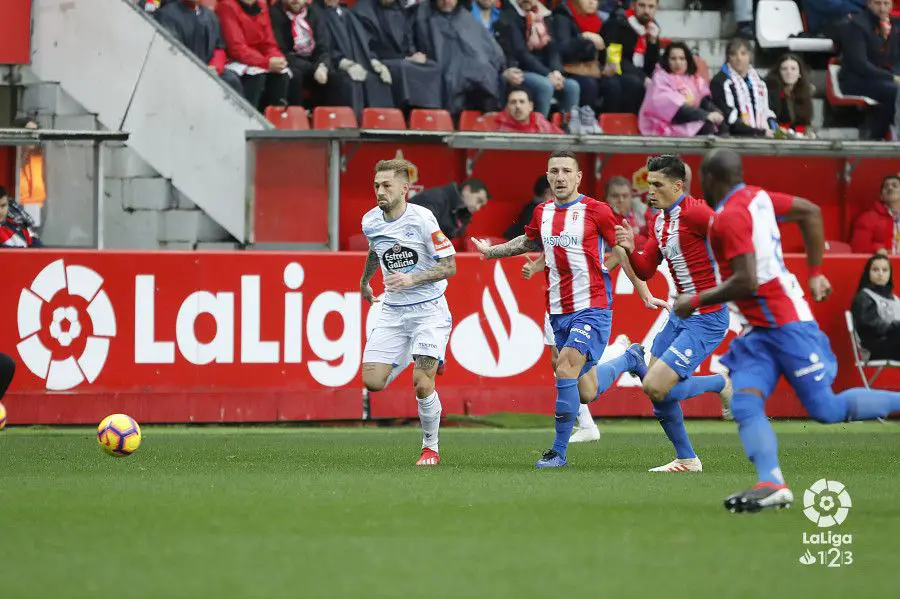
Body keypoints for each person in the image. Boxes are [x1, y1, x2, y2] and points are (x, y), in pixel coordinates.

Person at [679, 148, 900, 512]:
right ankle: (771, 482)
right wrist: (814, 272)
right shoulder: (759, 198)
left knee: (826, 409)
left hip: (785, 324)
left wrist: (695, 300)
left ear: (711, 180)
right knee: (746, 402)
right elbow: (810, 212)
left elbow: (747, 280)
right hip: (758, 332)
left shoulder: (730, 215)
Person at [470, 150, 666, 468]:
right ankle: (630, 358)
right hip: (558, 310)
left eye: (566, 171)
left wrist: (644, 292)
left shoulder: (597, 211)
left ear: (578, 177)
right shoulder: (542, 212)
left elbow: (622, 250)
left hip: (592, 307)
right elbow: (527, 242)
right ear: (547, 177)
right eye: (554, 171)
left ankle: (557, 452)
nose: (560, 177)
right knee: (585, 391)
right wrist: (492, 252)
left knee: (563, 367)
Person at [615, 155, 733, 473]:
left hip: (706, 317)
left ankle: (719, 383)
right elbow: (645, 267)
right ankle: (686, 459)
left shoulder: (696, 212)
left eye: (657, 184)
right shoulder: (660, 221)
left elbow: (729, 236)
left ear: (678, 185)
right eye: (648, 184)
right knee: (656, 391)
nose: (649, 191)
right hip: (680, 316)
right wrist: (629, 247)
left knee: (655, 386)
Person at [360, 158, 457, 466]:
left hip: (429, 310)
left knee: (422, 381)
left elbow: (450, 266)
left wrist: (412, 278)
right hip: (392, 311)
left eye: (387, 185)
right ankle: (422, 354)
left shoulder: (423, 219)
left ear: (404, 188)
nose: (380, 191)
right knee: (373, 382)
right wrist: (365, 281)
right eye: (376, 185)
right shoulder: (370, 221)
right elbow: (375, 250)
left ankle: (431, 448)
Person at [639, 42, 723, 137]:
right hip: (664, 126)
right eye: (673, 59)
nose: (678, 62)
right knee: (706, 124)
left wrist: (716, 112)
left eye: (682, 58)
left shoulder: (694, 79)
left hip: (690, 121)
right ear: (667, 60)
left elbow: (705, 101)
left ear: (687, 61)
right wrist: (705, 115)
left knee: (721, 124)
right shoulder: (660, 78)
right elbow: (676, 109)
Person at [710, 38, 776, 138]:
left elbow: (768, 111)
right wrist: (759, 132)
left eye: (743, 53)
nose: (739, 58)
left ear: (750, 56)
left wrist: (774, 129)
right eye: (733, 54)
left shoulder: (760, 82)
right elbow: (730, 119)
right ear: (728, 57)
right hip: (733, 138)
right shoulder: (720, 81)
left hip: (762, 136)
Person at [851, 253, 900, 360]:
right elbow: (870, 326)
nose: (880, 274)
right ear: (868, 272)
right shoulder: (864, 297)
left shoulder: (896, 299)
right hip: (875, 347)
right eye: (875, 270)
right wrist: (895, 326)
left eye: (885, 270)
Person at [409, 179, 490, 240]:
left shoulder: (460, 211)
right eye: (479, 200)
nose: (478, 207)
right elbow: (425, 232)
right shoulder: (436, 198)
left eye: (482, 206)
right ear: (467, 189)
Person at [765, 53, 815, 138]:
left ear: (799, 74)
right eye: (784, 69)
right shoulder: (770, 93)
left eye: (793, 69)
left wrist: (808, 133)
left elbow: (806, 123)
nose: (789, 72)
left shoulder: (804, 93)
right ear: (778, 72)